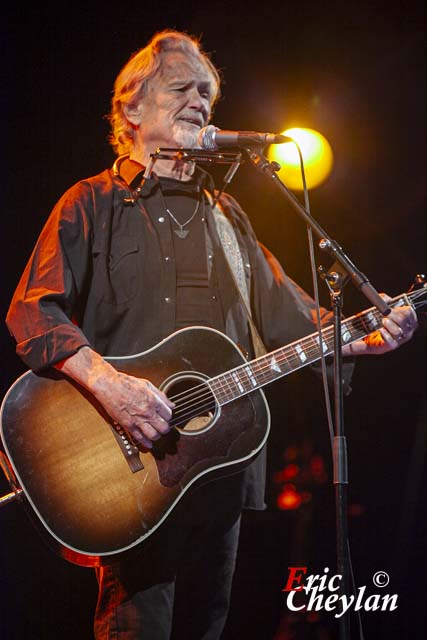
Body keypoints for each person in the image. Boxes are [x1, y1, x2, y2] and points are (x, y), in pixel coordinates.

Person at [6, 30, 418, 640]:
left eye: (207, 92)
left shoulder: (228, 215)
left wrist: (373, 333)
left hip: (221, 467)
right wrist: (112, 386)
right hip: (126, 471)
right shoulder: (89, 203)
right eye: (182, 87)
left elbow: (297, 322)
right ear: (131, 108)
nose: (200, 101)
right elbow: (33, 313)